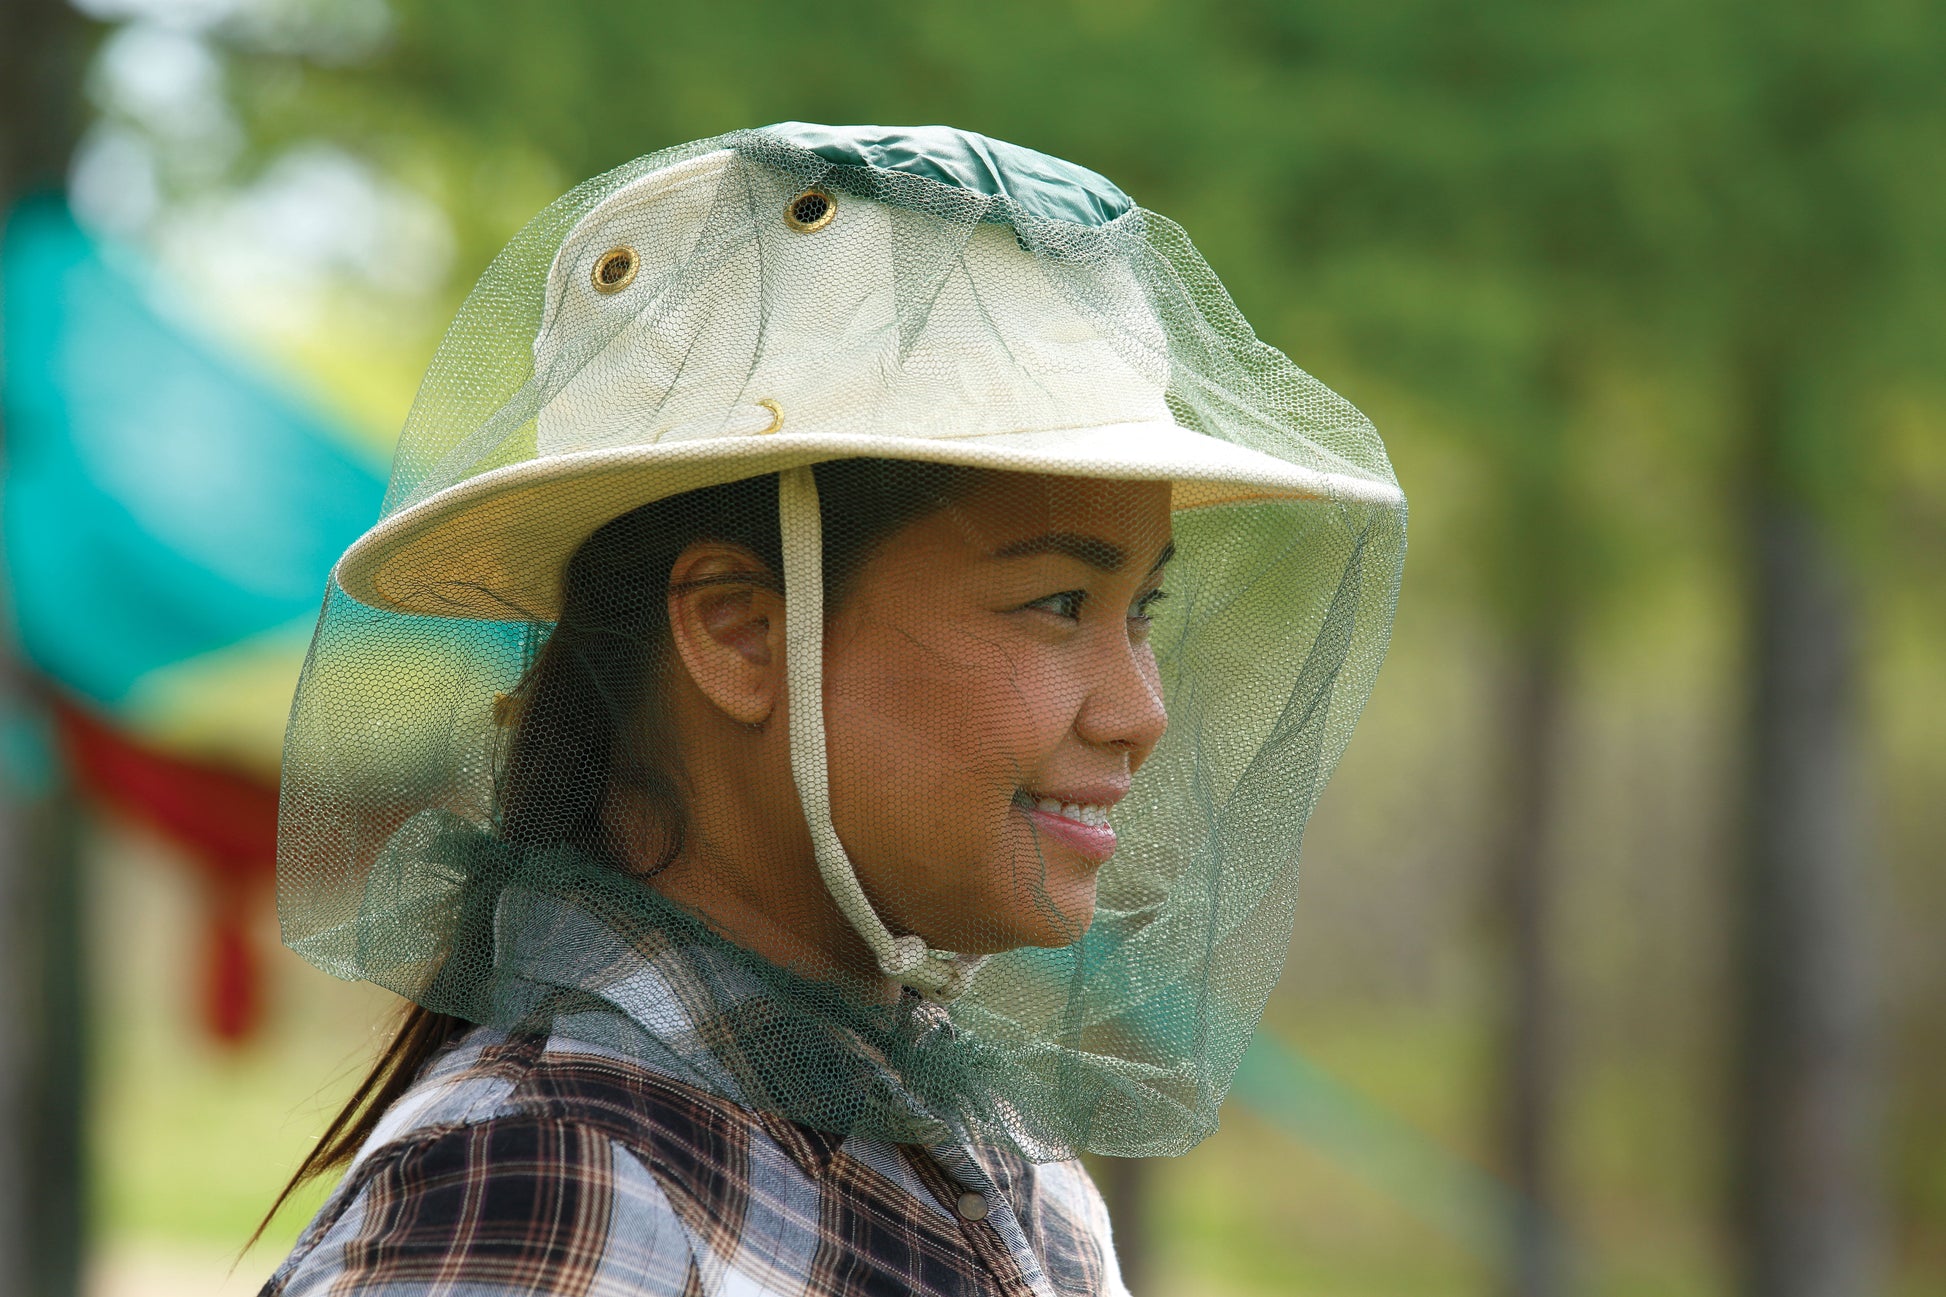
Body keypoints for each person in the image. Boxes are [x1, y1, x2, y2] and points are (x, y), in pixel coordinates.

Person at [258, 123, 1406, 1296]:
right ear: (739, 632)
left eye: (1138, 613)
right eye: (1058, 602)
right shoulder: (549, 1186)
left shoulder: (1012, 1170)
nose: (1138, 711)